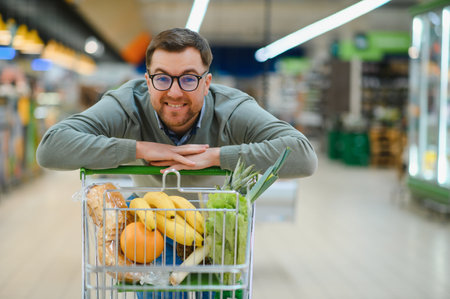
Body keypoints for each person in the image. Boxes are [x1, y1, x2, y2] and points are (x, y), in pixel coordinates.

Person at [36, 28, 317, 298]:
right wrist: (140, 147)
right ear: (147, 81)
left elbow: (303, 156)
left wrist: (218, 156)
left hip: (215, 231)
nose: (174, 92)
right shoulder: (127, 104)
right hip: (152, 226)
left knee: (216, 294)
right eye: (162, 78)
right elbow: (51, 147)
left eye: (188, 78)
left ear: (207, 83)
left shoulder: (232, 109)